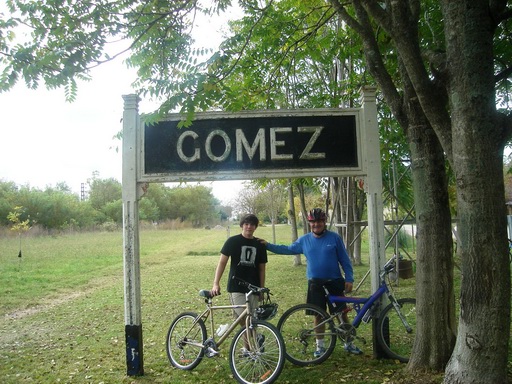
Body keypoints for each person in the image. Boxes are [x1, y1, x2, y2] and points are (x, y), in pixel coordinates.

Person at [260, 207, 362, 357]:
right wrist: (268, 245)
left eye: (319, 221)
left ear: (324, 222)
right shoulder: (304, 240)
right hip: (315, 284)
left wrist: (349, 278)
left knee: (342, 314)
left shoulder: (334, 238)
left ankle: (348, 343)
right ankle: (320, 346)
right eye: (313, 222)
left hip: (334, 282)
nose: (316, 224)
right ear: (309, 223)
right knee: (318, 315)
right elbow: (287, 249)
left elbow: (345, 260)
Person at [211, 213, 268, 322]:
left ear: (255, 227)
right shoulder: (232, 241)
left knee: (252, 322)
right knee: (247, 319)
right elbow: (222, 263)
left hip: (254, 288)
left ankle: (252, 339)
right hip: (236, 287)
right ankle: (253, 338)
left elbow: (262, 269)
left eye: (252, 224)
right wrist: (216, 283)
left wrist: (261, 289)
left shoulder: (260, 245)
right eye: (246, 224)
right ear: (242, 225)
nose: (249, 227)